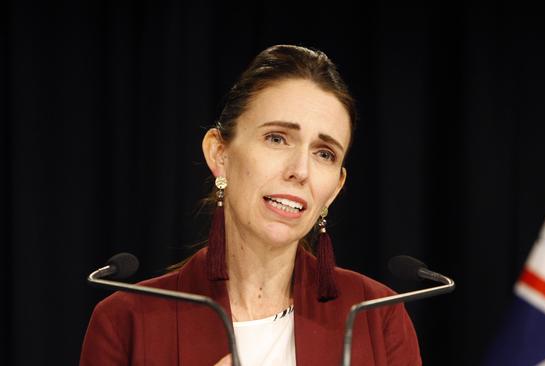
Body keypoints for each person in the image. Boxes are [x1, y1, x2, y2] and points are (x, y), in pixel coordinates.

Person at [80, 44, 421, 366]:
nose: (300, 171)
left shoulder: (377, 315)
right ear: (220, 153)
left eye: (324, 153)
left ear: (335, 189)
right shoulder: (126, 320)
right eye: (277, 138)